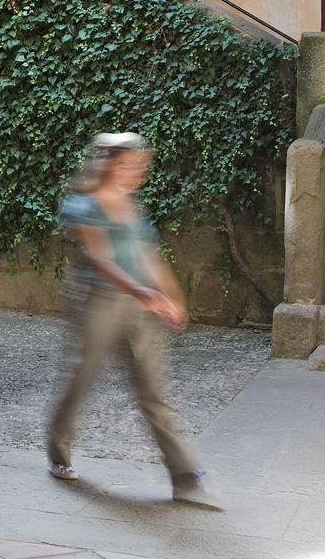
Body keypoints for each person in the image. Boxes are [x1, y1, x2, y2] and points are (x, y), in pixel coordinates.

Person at [46, 132, 220, 508]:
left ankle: (185, 475)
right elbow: (101, 258)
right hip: (97, 303)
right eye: (127, 164)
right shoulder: (85, 205)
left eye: (138, 165)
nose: (136, 171)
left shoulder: (130, 204)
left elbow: (149, 256)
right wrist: (147, 294)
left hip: (138, 307)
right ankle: (58, 450)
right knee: (81, 378)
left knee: (152, 390)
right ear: (107, 164)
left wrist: (172, 298)